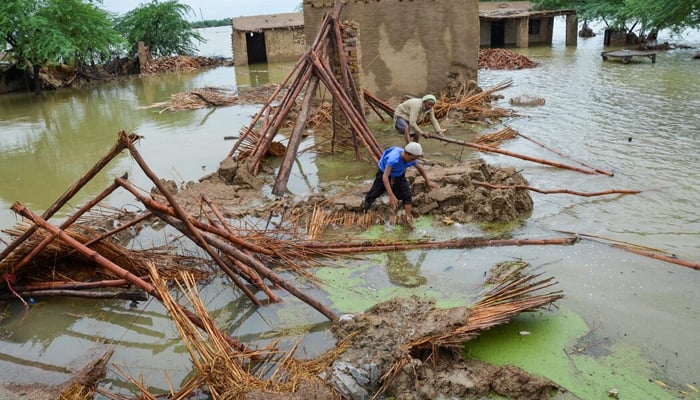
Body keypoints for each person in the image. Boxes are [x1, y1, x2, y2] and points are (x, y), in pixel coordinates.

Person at [363, 142, 438, 226]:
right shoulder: (393, 159)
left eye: (415, 159)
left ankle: (408, 217)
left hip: (399, 174)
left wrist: (427, 181)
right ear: (406, 153)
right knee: (374, 193)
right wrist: (391, 195)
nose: (413, 161)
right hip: (384, 172)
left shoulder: (411, 158)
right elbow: (385, 177)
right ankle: (365, 210)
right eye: (412, 158)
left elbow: (420, 168)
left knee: (406, 194)